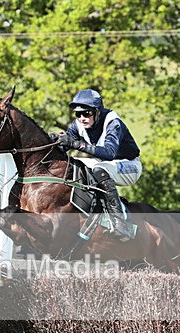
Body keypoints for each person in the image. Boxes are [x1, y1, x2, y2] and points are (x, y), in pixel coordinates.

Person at [50, 89, 142, 241]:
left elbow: (109, 152)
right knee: (72, 163)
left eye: (86, 113)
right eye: (78, 114)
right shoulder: (78, 124)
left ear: (97, 111)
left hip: (129, 165)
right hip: (107, 164)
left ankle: (120, 221)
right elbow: (64, 147)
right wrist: (53, 141)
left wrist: (75, 144)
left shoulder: (113, 122)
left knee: (100, 169)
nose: (82, 118)